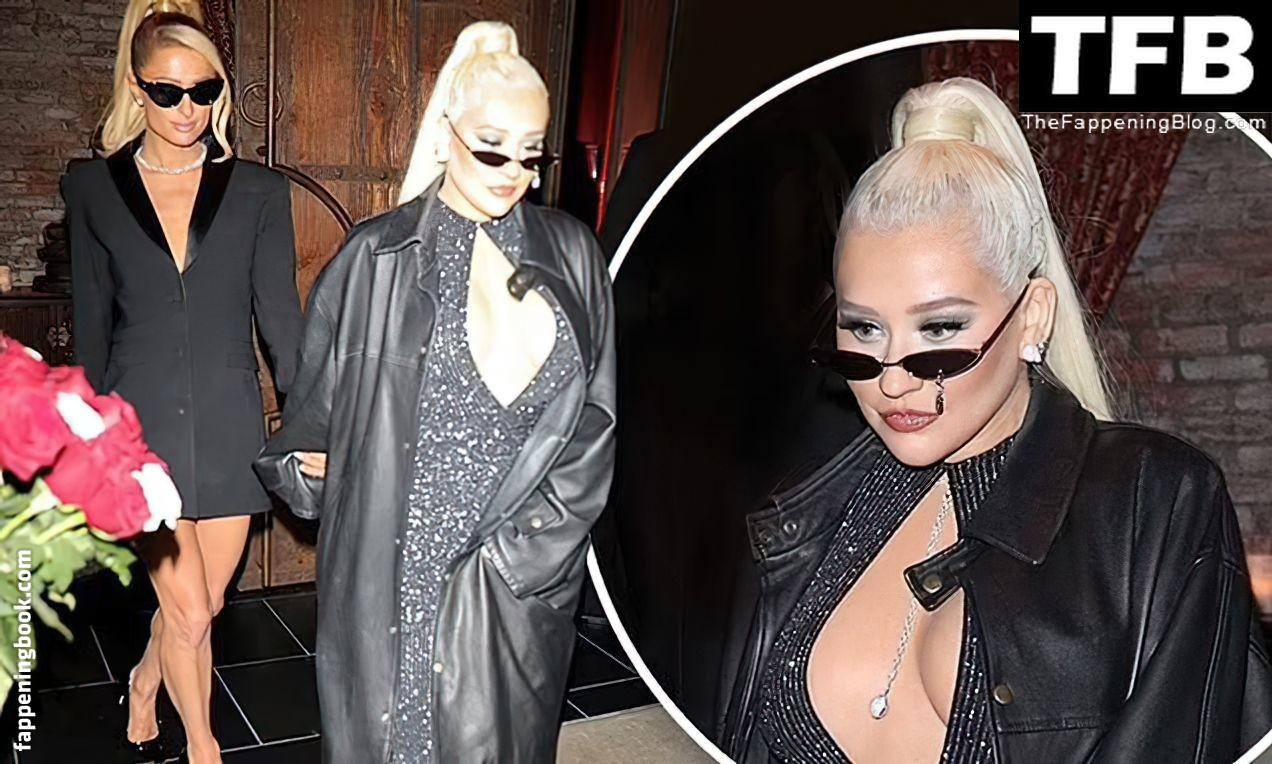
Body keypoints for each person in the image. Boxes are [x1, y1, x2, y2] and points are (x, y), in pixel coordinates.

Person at [717, 77, 1272, 762]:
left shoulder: (1156, 502)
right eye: (862, 330)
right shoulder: (806, 505)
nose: (892, 380)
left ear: (1031, 317)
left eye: (940, 329)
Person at [254, 21, 616, 763]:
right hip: (394, 563)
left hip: (515, 575)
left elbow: (595, 423)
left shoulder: (574, 256)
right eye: (492, 146)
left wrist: (523, 559)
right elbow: (311, 418)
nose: (513, 172)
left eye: (531, 153)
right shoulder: (374, 259)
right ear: (448, 130)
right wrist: (310, 468)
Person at [61, 3, 303, 762]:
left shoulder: (258, 192)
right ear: (137, 90)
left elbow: (282, 323)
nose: (187, 109)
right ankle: (203, 746)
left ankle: (143, 680)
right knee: (192, 612)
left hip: (230, 426)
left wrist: (309, 425)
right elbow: (92, 322)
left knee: (201, 606)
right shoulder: (93, 189)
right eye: (168, 92)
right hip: (140, 431)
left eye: (203, 90)